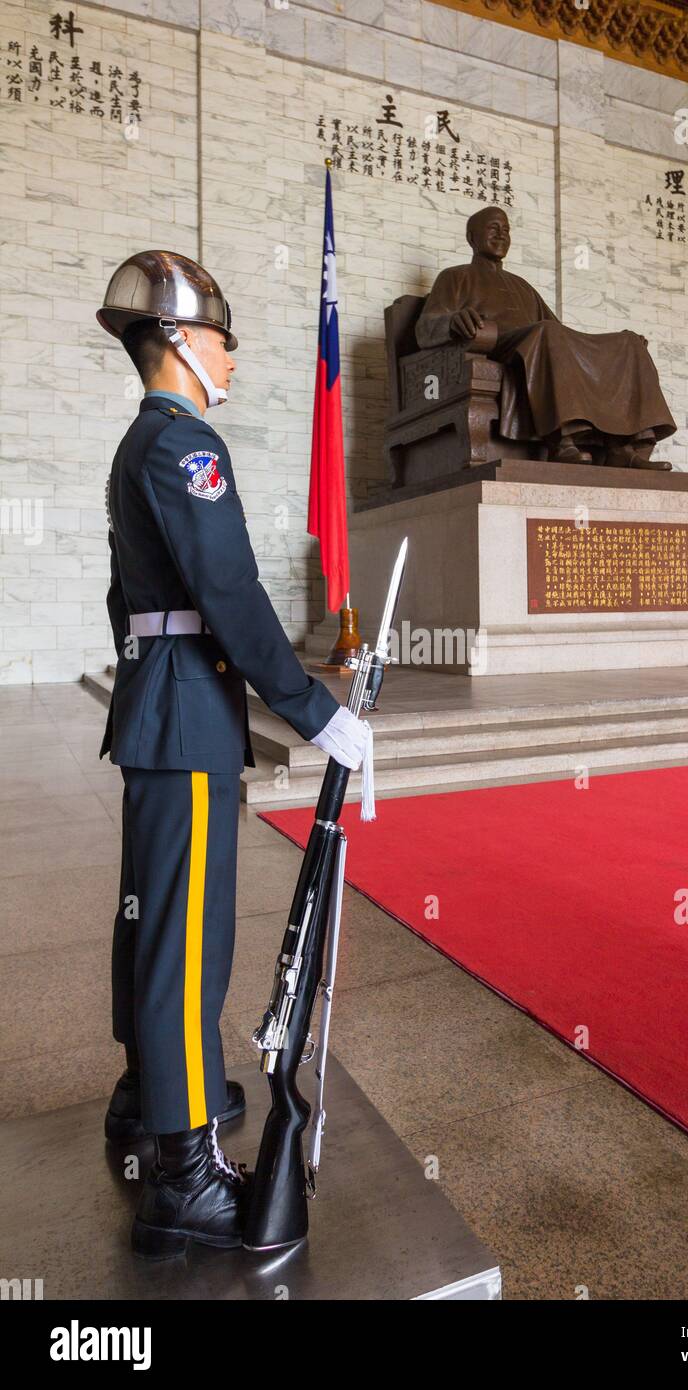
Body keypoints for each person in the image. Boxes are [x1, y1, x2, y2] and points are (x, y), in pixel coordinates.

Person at [96, 249, 369, 1259]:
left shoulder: (145, 446)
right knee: (187, 941)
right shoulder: (182, 448)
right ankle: (182, 1172)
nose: (234, 358)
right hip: (188, 716)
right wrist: (311, 709)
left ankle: (150, 1095)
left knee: (153, 920)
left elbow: (132, 601)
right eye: (222, 338)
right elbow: (231, 594)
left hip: (160, 709)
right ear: (175, 343)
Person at [416, 206, 677, 469]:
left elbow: (563, 335)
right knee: (547, 332)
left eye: (506, 230)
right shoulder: (454, 277)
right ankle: (561, 443)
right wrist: (452, 322)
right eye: (493, 228)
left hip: (537, 343)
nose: (501, 235)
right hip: (498, 345)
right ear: (472, 238)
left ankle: (622, 447)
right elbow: (424, 328)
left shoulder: (522, 285)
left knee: (628, 343)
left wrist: (612, 347)